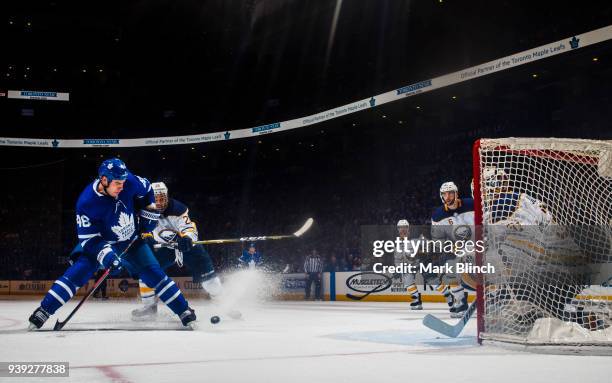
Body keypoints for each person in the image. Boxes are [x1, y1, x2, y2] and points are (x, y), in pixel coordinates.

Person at [28, 158, 196, 330]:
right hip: (101, 241)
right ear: (104, 180)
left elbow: (147, 190)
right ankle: (44, 310)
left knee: (155, 274)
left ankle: (184, 311)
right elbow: (89, 239)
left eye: (123, 182)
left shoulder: (128, 180)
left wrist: (150, 211)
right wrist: (107, 256)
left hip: (131, 240)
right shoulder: (86, 203)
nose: (122, 186)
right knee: (78, 273)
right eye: (117, 183)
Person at [131, 182, 225, 320]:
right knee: (146, 271)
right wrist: (145, 239)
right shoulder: (143, 209)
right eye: (156, 198)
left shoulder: (178, 209)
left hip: (187, 246)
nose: (159, 202)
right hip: (164, 248)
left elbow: (189, 227)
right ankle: (149, 307)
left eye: (162, 198)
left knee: (210, 279)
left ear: (167, 196)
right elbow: (140, 229)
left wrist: (187, 237)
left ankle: (222, 303)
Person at [430, 181, 475, 317]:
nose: (448, 196)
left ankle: (495, 297)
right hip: (458, 250)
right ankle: (461, 301)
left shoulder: (471, 204)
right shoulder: (438, 216)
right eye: (444, 194)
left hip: (479, 245)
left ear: (456, 193)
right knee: (449, 269)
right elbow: (437, 239)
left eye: (450, 193)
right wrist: (449, 247)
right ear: (441, 196)